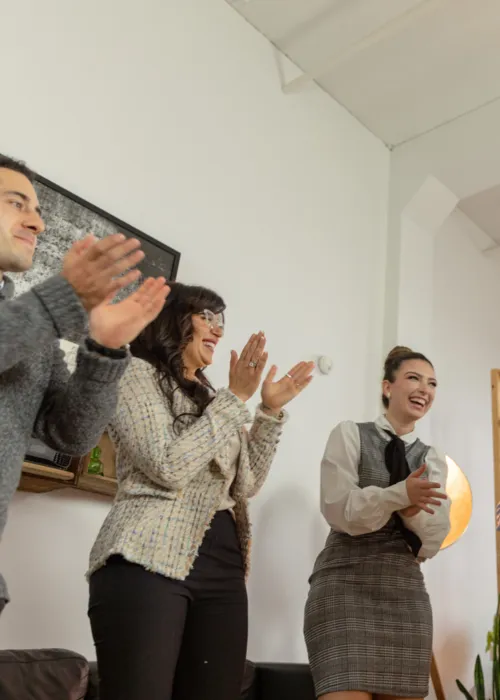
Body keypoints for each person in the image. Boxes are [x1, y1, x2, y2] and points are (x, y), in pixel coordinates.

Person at [87, 281, 315, 700]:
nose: (218, 330)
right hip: (146, 557)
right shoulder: (133, 373)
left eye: (221, 321)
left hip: (224, 565)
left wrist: (268, 411)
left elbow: (246, 484)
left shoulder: (212, 396)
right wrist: (236, 398)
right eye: (206, 317)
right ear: (171, 319)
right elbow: (168, 465)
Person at [0, 154, 169, 613]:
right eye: (17, 203)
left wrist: (105, 350)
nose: (36, 223)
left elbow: (71, 435)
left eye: (38, 211)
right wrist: (63, 300)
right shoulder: (40, 316)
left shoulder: (36, 334)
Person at [304, 346, 451, 700]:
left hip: (405, 596)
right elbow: (340, 510)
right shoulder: (350, 434)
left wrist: (414, 512)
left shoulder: (432, 459)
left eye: (432, 383)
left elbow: (433, 540)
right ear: (387, 387)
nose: (424, 389)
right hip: (343, 589)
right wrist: (400, 496)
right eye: (413, 378)